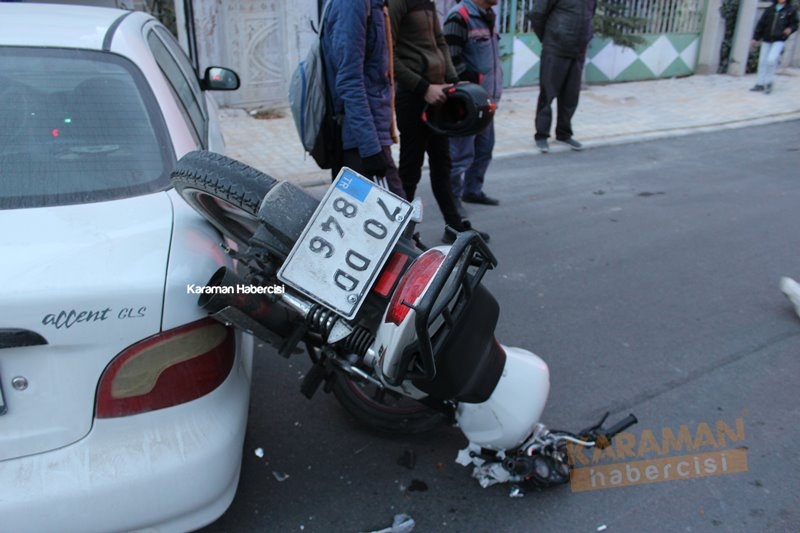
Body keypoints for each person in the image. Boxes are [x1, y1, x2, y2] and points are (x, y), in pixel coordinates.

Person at [388, 0, 490, 243]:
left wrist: (454, 81)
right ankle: (396, 236)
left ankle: (454, 228)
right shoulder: (395, 3)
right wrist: (423, 88)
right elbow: (388, 55)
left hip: (440, 93)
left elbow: (440, 41)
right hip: (413, 97)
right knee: (410, 169)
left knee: (442, 164)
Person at [321, 0, 405, 198]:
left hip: (372, 135)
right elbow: (349, 80)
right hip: (360, 141)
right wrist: (370, 149)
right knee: (399, 222)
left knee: (397, 222)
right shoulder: (352, 4)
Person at [443, 0, 502, 209]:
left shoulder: (487, 15)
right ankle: (453, 203)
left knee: (484, 148)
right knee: (459, 156)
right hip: (468, 105)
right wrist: (471, 82)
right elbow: (449, 59)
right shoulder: (459, 16)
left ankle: (473, 190)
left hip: (487, 100)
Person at [529, 0, 596, 153]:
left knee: (570, 96)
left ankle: (564, 134)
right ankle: (541, 135)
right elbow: (537, 14)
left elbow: (590, 15)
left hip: (578, 51)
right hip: (555, 49)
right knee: (548, 94)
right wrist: (548, 38)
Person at [749, 0, 798, 94]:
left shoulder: (790, 10)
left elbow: (794, 24)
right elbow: (761, 24)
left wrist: (790, 29)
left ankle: (769, 82)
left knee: (771, 60)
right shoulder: (770, 9)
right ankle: (760, 83)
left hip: (779, 39)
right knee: (762, 61)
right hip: (766, 39)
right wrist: (755, 38)